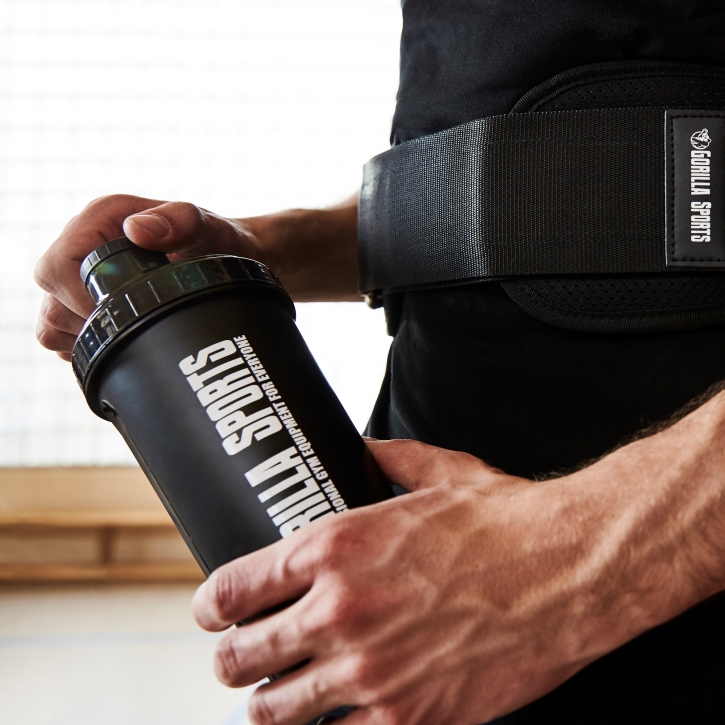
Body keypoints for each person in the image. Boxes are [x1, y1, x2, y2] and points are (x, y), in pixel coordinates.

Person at [34, 2, 725, 723]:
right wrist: (261, 252)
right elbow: (549, 184)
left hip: (641, 585)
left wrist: (571, 565)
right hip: (426, 578)